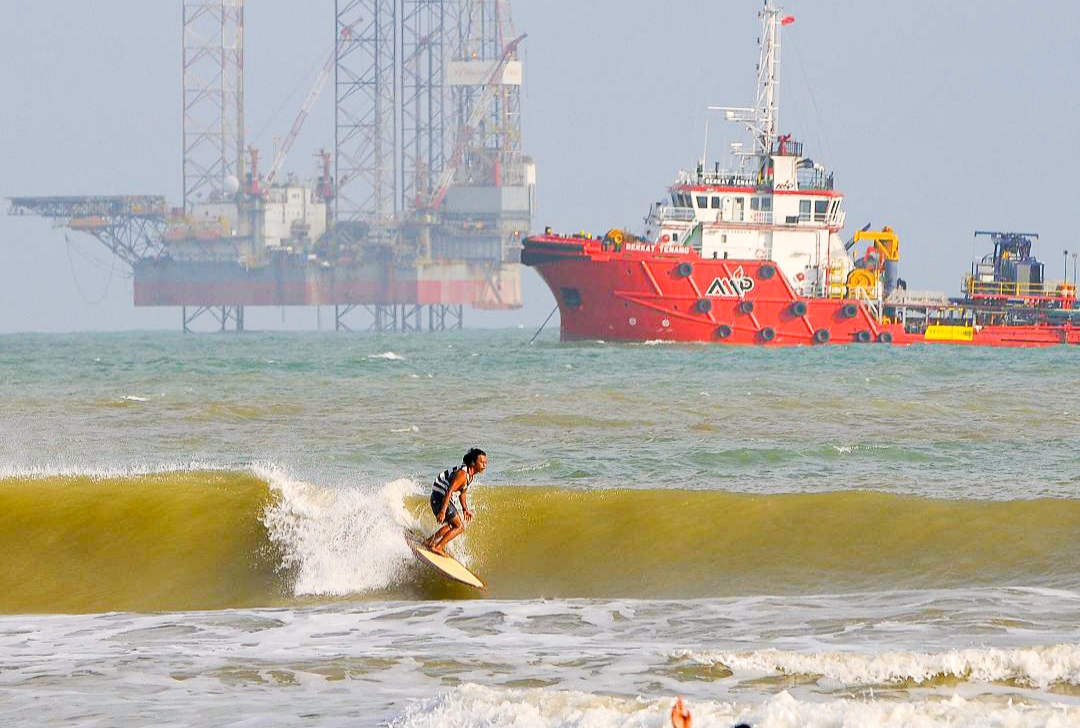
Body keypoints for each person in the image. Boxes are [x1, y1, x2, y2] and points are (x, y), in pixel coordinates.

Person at [424, 448, 487, 556]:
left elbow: (462, 493)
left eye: (486, 462)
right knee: (459, 526)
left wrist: (465, 509)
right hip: (439, 498)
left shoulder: (470, 476)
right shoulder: (462, 474)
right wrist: (443, 511)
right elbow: (449, 491)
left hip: (440, 498)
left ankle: (429, 542)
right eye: (482, 462)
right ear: (473, 463)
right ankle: (437, 547)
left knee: (452, 526)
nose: (485, 465)